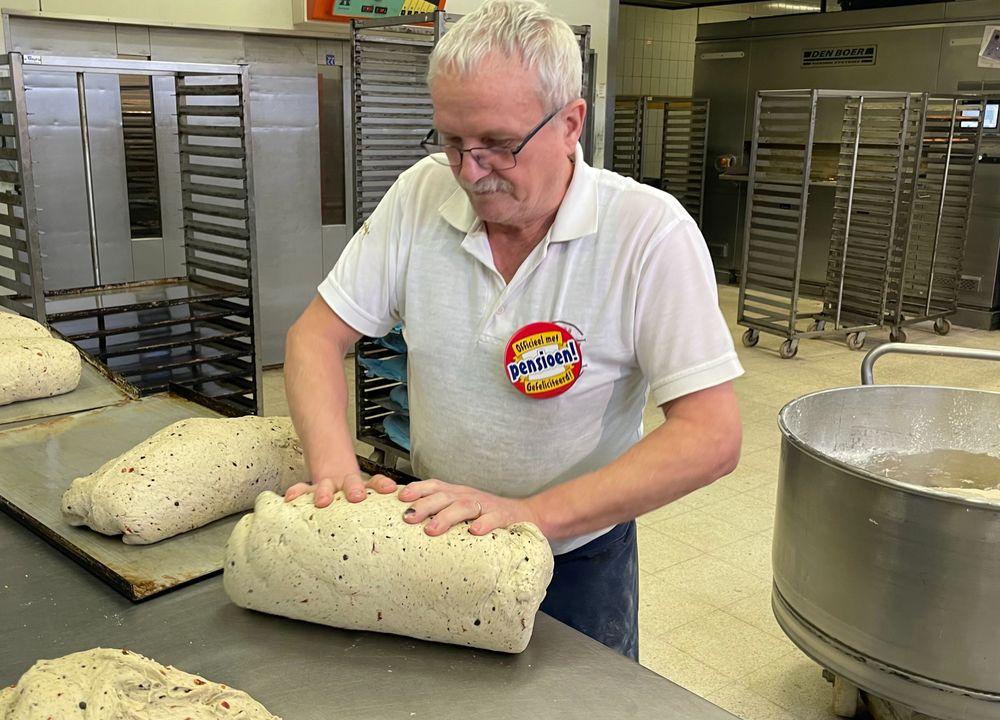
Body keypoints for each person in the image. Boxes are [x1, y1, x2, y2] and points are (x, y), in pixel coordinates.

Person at [283, 0, 743, 660]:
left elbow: (712, 435)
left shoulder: (647, 234)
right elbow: (315, 338)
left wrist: (535, 515)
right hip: (438, 540)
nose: (470, 172)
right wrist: (335, 482)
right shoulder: (422, 195)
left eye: (498, 144)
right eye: (451, 142)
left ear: (570, 124)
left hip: (575, 561)